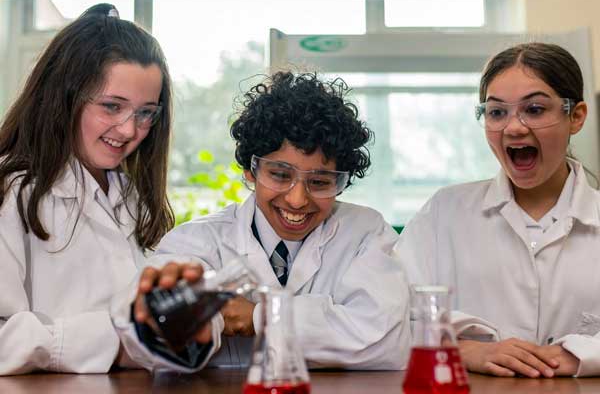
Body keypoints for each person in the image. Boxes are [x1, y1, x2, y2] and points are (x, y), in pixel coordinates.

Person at [116, 71, 411, 372]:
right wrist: (186, 322)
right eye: (280, 175)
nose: (297, 200)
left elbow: (386, 341)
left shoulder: (364, 233)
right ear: (250, 170)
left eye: (320, 182)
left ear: (342, 183)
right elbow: (146, 340)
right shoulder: (197, 242)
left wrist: (258, 317)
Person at [394, 42, 600, 377]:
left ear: (575, 117)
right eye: (497, 112)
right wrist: (465, 349)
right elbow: (389, 315)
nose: (514, 127)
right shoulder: (445, 212)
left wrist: (581, 355)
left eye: (534, 109)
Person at [0, 3, 176, 375]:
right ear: (62, 98)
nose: (130, 130)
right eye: (112, 106)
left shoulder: (132, 198)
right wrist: (114, 344)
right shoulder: (12, 191)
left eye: (146, 113)